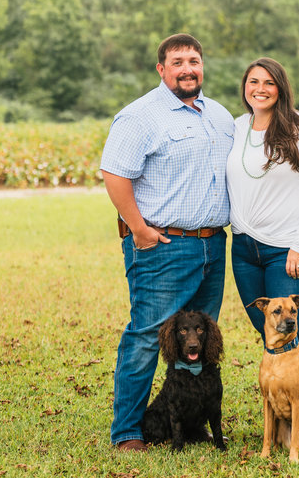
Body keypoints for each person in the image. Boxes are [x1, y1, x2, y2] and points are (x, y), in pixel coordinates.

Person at [100, 33, 234, 452]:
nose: (187, 68)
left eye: (193, 59)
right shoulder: (140, 116)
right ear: (162, 69)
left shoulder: (219, 116)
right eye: (177, 62)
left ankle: (191, 423)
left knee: (197, 341)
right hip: (163, 246)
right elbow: (114, 174)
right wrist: (138, 229)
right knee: (147, 334)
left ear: (202, 65)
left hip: (214, 245)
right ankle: (128, 433)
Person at [226, 57, 299, 378]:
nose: (260, 89)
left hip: (291, 251)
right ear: (245, 86)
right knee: (270, 336)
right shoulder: (238, 127)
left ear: (281, 88)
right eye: (253, 82)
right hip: (245, 250)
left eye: (269, 83)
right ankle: (283, 413)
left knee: (296, 337)